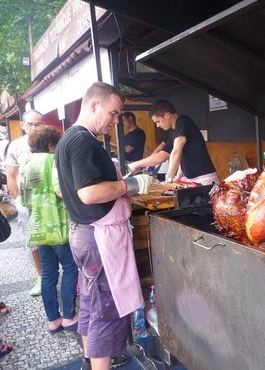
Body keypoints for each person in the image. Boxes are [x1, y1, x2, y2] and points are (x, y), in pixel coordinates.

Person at [55, 82, 154, 370]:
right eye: (112, 114)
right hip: (97, 238)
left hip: (84, 234)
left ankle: (90, 361)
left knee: (90, 302)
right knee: (105, 312)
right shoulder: (82, 140)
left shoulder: (70, 138)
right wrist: (129, 185)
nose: (115, 122)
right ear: (94, 105)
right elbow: (88, 193)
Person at [20, 125, 78, 334]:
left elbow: (24, 199)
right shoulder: (54, 160)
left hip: (39, 230)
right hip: (59, 228)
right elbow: (62, 191)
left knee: (48, 274)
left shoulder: (26, 165)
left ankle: (53, 320)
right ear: (52, 144)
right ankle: (69, 316)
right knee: (70, 269)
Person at [127, 99, 218, 186]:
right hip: (192, 180)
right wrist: (177, 177)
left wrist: (169, 179)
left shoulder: (183, 122)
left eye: (158, 121)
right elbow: (163, 154)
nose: (157, 125)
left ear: (166, 115)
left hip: (204, 180)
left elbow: (175, 153)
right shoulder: (173, 132)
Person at [4, 110, 44, 297]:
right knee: (33, 240)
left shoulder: (50, 141)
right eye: (30, 124)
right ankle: (42, 275)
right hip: (28, 202)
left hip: (51, 200)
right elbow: (11, 176)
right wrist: (19, 201)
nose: (34, 128)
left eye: (38, 123)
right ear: (22, 125)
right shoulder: (15, 146)